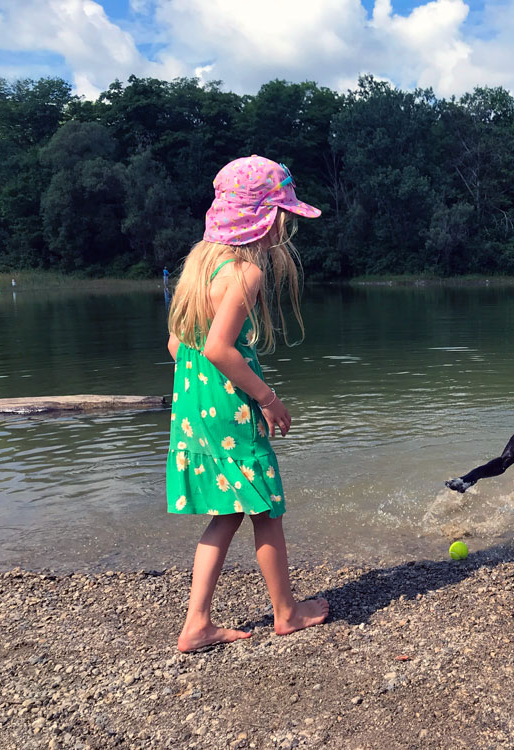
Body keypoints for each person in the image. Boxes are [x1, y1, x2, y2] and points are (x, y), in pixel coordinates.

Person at [165, 155, 326, 652]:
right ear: (266, 219)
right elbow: (218, 348)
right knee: (267, 510)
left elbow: (178, 345)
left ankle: (197, 623)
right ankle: (287, 612)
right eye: (284, 217)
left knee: (228, 513)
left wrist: (201, 396)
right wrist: (267, 397)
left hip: (194, 408)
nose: (286, 228)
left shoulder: (199, 265)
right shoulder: (243, 274)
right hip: (232, 410)